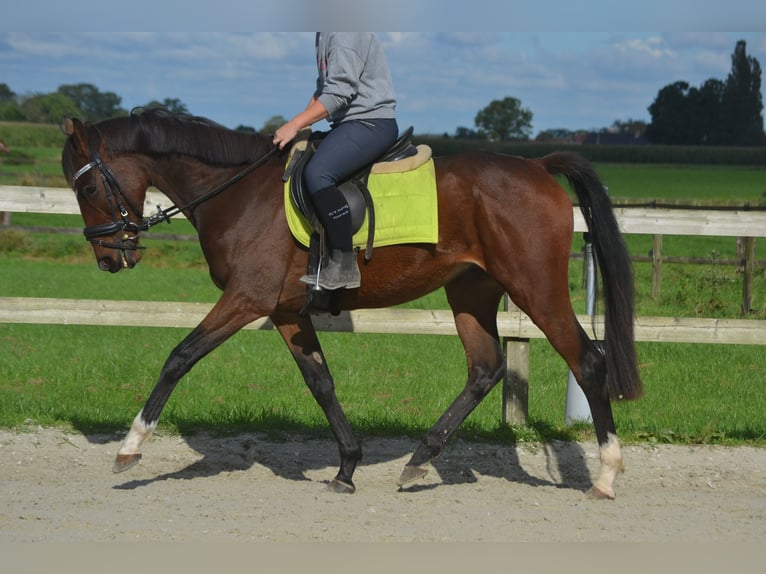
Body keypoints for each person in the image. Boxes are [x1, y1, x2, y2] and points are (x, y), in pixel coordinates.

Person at [273, 32, 398, 290]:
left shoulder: (345, 32)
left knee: (318, 173)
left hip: (370, 122)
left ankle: (344, 265)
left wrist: (295, 123)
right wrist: (302, 126)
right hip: (348, 123)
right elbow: (324, 91)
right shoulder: (325, 32)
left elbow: (340, 92)